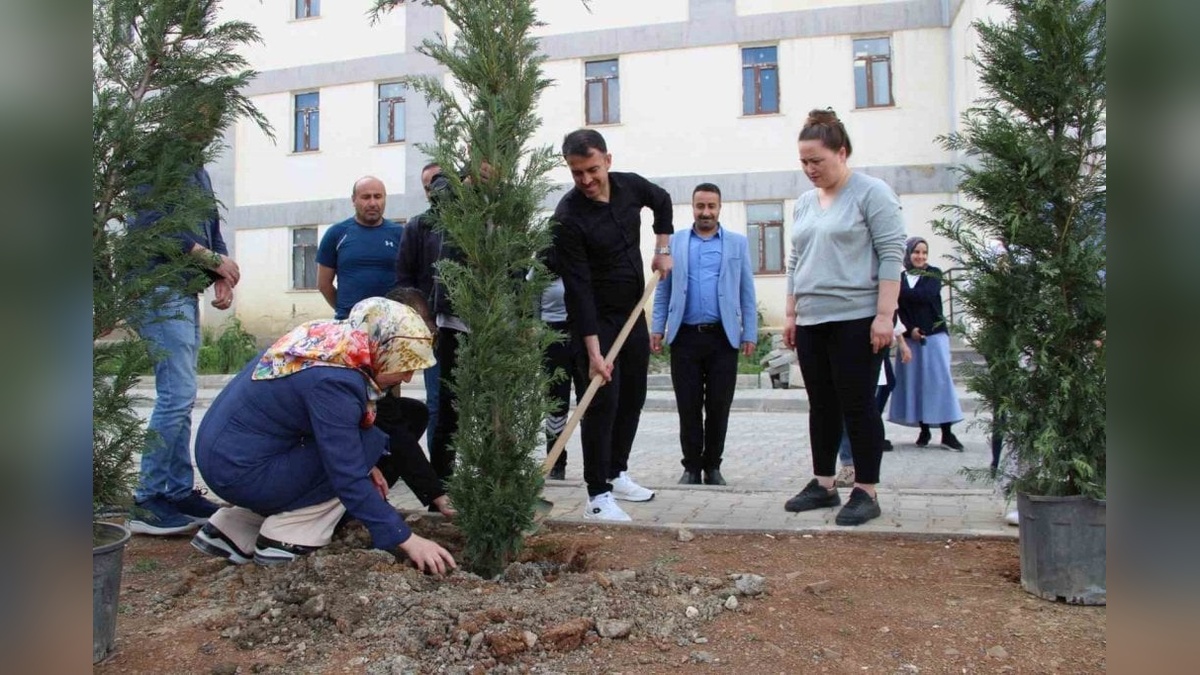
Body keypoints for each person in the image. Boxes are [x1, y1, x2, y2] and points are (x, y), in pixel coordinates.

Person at [189, 298, 457, 572]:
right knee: (363, 447)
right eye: (406, 364)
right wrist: (407, 539)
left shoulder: (326, 344)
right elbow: (347, 475)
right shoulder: (335, 381)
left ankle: (234, 529)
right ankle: (286, 539)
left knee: (366, 448)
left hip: (229, 458)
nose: (409, 377)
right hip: (242, 470)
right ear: (384, 349)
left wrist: (369, 464)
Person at [781, 108, 906, 526]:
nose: (810, 169)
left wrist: (884, 316)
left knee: (857, 404)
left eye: (817, 160)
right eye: (803, 162)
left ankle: (866, 490)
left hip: (857, 317)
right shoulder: (803, 203)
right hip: (813, 319)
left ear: (843, 152)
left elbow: (892, 255)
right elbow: (795, 259)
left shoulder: (872, 193)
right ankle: (823, 484)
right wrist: (791, 313)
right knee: (821, 405)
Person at [552, 128, 674, 521]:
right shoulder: (568, 216)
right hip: (594, 321)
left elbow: (663, 201)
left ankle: (616, 472)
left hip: (632, 313)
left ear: (607, 160)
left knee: (632, 397)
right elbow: (578, 288)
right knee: (600, 402)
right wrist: (592, 350)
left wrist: (662, 249)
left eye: (592, 170)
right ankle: (597, 496)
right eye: (576, 173)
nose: (586, 180)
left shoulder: (629, 187)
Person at [126, 124, 241, 536]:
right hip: (156, 288)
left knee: (183, 394)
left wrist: (222, 273)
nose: (209, 126)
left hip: (182, 290)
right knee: (175, 395)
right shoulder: (156, 164)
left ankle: (176, 491)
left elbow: (213, 229)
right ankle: (148, 499)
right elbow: (153, 228)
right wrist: (212, 259)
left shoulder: (200, 172)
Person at [650, 183, 757, 486]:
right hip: (685, 337)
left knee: (719, 406)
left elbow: (746, 291)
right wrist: (657, 328)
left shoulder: (737, 244)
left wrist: (749, 331)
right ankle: (691, 467)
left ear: (720, 208)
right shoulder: (676, 242)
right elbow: (663, 290)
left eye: (711, 206)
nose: (706, 212)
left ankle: (713, 466)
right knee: (688, 405)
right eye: (700, 206)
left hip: (723, 338)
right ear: (693, 207)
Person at [888, 237, 965, 450]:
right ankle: (924, 429)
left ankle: (947, 433)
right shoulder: (901, 278)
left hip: (934, 336)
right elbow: (898, 310)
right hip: (911, 338)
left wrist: (899, 293)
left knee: (939, 383)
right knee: (917, 384)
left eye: (924, 252)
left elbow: (925, 295)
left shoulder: (934, 274)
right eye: (916, 252)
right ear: (908, 254)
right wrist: (910, 329)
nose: (920, 256)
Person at [395, 163, 444, 446]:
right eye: (429, 186)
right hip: (434, 330)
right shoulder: (418, 227)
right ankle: (440, 473)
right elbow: (405, 282)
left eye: (440, 182)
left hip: (474, 329)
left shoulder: (472, 224)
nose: (435, 191)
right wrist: (424, 321)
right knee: (437, 401)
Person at [835, 323, 911, 487]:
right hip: (845, 346)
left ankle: (865, 472)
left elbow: (890, 312)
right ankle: (849, 464)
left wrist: (902, 343)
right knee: (847, 411)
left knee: (866, 411)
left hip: (872, 349)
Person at [316, 177, 404, 320]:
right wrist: (346, 310)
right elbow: (323, 284)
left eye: (378, 197)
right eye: (365, 197)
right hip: (349, 324)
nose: (373, 203)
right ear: (353, 200)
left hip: (392, 325)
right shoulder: (336, 233)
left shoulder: (400, 234)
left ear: (385, 199)